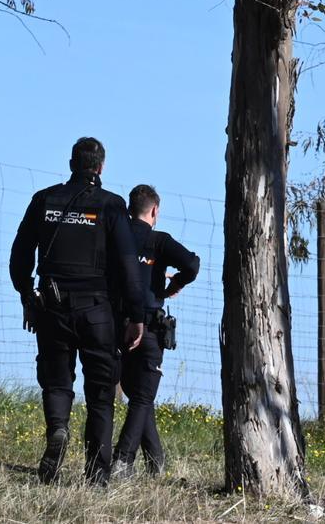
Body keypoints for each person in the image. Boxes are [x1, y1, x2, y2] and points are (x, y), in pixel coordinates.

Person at [9, 137, 147, 486]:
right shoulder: (112, 206)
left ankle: (58, 430)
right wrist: (137, 316)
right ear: (100, 167)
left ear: (72, 164)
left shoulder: (44, 200)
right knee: (101, 394)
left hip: (52, 308)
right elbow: (130, 266)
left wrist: (28, 293)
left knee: (57, 383)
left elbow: (19, 257)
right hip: (98, 311)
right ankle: (97, 476)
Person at [110, 185, 200, 479]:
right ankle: (123, 461)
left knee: (138, 393)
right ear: (155, 211)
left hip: (113, 326)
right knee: (143, 397)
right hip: (148, 327)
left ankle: (156, 461)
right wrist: (175, 285)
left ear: (129, 208)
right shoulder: (158, 241)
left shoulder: (114, 237)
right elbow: (191, 263)